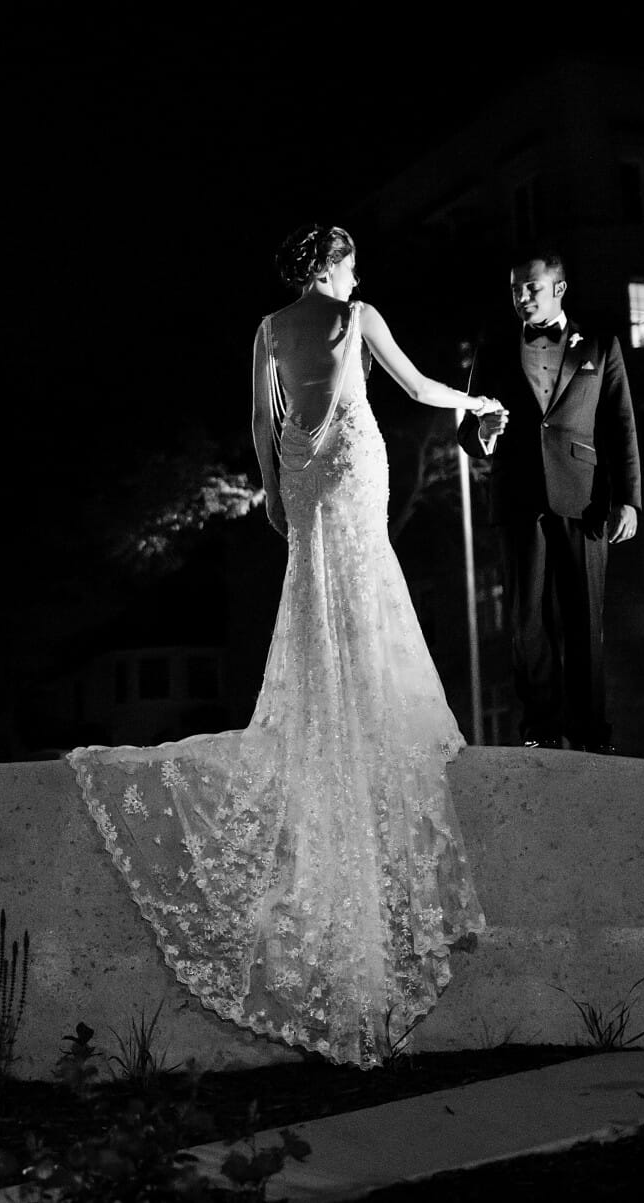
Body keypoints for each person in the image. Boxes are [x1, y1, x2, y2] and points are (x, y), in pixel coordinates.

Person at [67, 224, 492, 1069]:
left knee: (314, 594)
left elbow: (260, 424)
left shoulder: (267, 327)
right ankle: (367, 710)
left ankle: (324, 710)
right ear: (334, 267)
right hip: (352, 461)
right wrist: (472, 404)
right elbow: (409, 384)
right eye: (352, 263)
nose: (356, 274)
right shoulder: (355, 314)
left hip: (301, 470)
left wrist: (271, 490)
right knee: (363, 580)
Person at [456, 251, 641, 753]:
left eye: (531, 288)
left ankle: (591, 733)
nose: (521, 297)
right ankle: (539, 727)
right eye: (515, 288)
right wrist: (484, 433)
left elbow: (621, 424)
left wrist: (629, 499)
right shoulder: (493, 350)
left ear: (559, 289)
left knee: (584, 620)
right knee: (525, 620)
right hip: (516, 499)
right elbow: (468, 436)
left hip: (584, 498)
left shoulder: (601, 345)